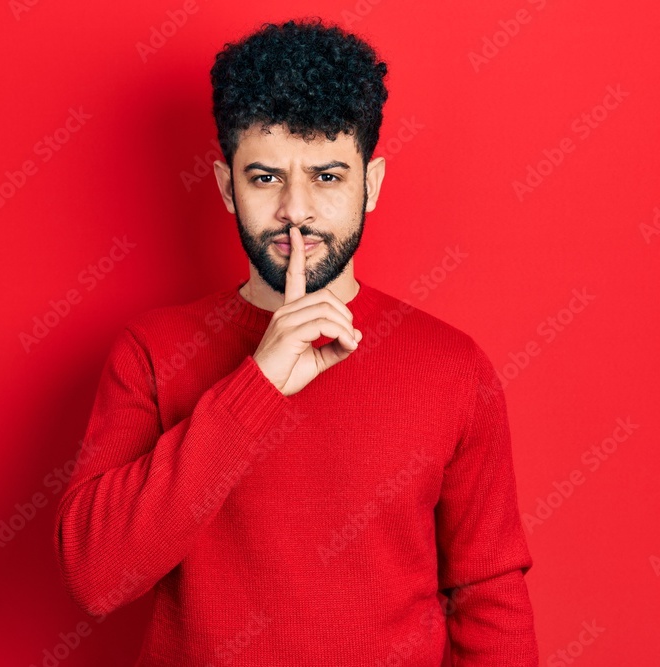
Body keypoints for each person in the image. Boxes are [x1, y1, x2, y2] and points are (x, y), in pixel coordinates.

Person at [53, 17, 537, 665]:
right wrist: (259, 380)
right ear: (228, 187)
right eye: (266, 177)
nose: (297, 209)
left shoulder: (452, 366)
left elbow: (489, 594)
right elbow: (96, 575)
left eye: (328, 176)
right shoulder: (149, 350)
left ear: (373, 183)